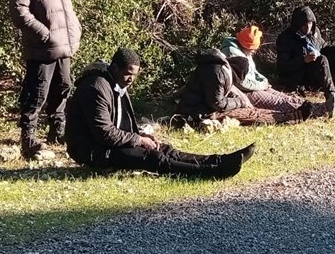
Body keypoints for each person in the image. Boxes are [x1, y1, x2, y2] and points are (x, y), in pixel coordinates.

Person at [66, 48, 255, 178]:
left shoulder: (114, 83)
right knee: (154, 158)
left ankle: (219, 161)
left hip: (108, 144)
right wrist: (138, 140)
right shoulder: (96, 87)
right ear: (114, 67)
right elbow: (104, 133)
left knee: (163, 148)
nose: (131, 79)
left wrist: (141, 136)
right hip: (91, 150)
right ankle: (210, 172)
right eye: (128, 74)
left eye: (134, 75)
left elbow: (119, 125)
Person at [8, 0, 81, 161]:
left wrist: (75, 30)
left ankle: (56, 131)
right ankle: (28, 138)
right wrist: (45, 35)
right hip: (42, 47)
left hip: (65, 45)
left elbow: (66, 7)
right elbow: (19, 12)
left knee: (64, 87)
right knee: (36, 93)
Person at [275, 6, 335, 116]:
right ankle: (331, 97)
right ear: (297, 24)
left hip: (320, 69)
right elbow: (283, 66)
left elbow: (323, 48)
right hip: (302, 75)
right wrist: (303, 60)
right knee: (322, 59)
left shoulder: (314, 32)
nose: (308, 27)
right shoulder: (286, 38)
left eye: (310, 23)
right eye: (304, 24)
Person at [174, 48, 309, 126]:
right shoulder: (218, 73)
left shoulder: (218, 69)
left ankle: (288, 114)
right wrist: (240, 102)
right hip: (198, 112)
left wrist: (241, 99)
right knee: (250, 114)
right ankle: (285, 118)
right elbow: (217, 103)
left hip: (198, 107)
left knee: (251, 110)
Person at [218, 24, 315, 118]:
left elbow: (254, 72)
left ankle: (315, 106)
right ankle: (313, 111)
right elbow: (241, 83)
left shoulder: (244, 50)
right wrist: (261, 85)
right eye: (253, 49)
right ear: (247, 45)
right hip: (245, 91)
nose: (254, 51)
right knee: (278, 102)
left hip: (255, 86)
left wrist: (264, 81)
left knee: (283, 97)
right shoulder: (232, 54)